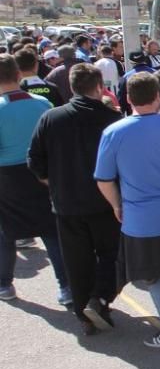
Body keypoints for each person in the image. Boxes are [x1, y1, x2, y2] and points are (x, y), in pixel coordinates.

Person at [94, 72, 160, 345]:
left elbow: (103, 180)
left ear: (128, 98)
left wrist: (116, 205)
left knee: (153, 274)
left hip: (140, 218)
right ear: (158, 95)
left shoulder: (113, 132)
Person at [29, 63, 122, 334]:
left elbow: (35, 159)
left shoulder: (51, 118)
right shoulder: (112, 120)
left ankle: (84, 313)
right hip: (105, 201)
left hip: (66, 202)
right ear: (99, 87)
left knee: (76, 260)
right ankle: (100, 299)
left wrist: (53, 182)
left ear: (71, 87)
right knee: (111, 255)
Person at [0, 55, 69, 304]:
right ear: (19, 75)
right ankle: (65, 286)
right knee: (51, 231)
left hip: (8, 176)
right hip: (42, 174)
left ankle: (5, 284)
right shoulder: (42, 103)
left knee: (6, 233)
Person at [117, 51, 156, 116]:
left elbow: (122, 100)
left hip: (134, 114)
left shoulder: (126, 77)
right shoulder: (155, 73)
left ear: (130, 61)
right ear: (145, 59)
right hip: (155, 113)